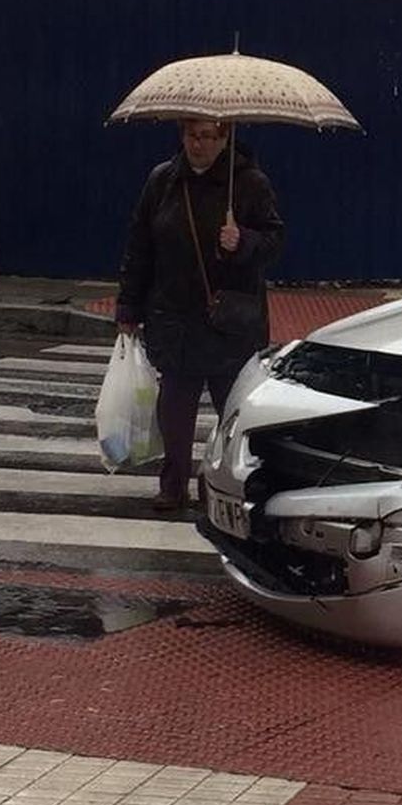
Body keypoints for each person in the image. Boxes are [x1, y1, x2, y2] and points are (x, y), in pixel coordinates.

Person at [115, 119, 285, 511]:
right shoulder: (163, 181)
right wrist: (129, 304)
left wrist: (243, 241)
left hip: (229, 320)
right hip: (175, 315)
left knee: (233, 410)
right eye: (192, 135)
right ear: (182, 136)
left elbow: (275, 240)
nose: (199, 144)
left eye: (209, 136)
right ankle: (173, 485)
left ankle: (227, 486)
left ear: (225, 138)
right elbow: (140, 245)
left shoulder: (249, 183)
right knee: (174, 406)